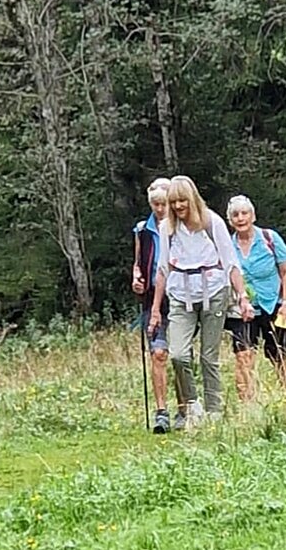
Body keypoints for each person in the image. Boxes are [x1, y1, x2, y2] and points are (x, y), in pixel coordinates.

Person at [148, 176, 253, 428]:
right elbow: (162, 269)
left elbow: (230, 263)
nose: (177, 206)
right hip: (180, 294)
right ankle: (192, 405)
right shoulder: (167, 229)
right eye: (173, 202)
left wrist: (243, 297)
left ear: (192, 199)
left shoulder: (211, 222)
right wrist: (155, 309)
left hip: (214, 291)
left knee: (209, 356)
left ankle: (214, 410)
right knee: (178, 354)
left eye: (182, 200)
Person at [224, 195, 286, 402]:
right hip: (243, 308)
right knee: (243, 355)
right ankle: (248, 405)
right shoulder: (227, 246)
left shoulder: (269, 238)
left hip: (274, 304)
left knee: (278, 353)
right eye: (235, 215)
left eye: (244, 213)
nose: (240, 218)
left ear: (252, 216)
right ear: (230, 220)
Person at [132, 177, 172, 434]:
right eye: (155, 204)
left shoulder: (181, 227)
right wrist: (136, 278)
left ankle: (186, 407)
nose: (159, 209)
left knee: (179, 355)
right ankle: (161, 412)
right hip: (150, 299)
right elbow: (138, 262)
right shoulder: (142, 230)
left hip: (178, 296)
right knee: (157, 353)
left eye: (163, 203)